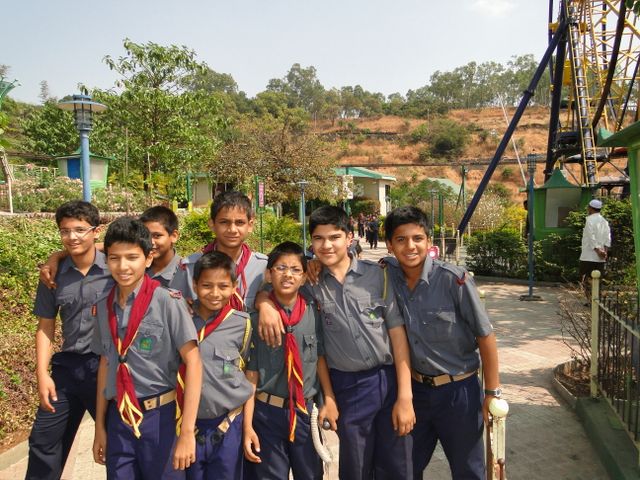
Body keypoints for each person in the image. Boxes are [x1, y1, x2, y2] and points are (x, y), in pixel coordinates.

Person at [257, 206, 415, 480]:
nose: (327, 245)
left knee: (398, 465)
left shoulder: (378, 275)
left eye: (334, 237)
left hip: (388, 380)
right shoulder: (310, 282)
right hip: (348, 385)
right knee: (356, 464)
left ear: (349, 237)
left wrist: (405, 396)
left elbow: (397, 335)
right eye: (318, 238)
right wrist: (263, 304)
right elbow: (275, 286)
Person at [383, 206, 500, 480]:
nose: (410, 246)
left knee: (468, 470)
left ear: (428, 241)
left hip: (459, 392)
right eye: (401, 239)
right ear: (389, 245)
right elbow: (348, 264)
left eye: (417, 238)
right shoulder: (388, 276)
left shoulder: (453, 280)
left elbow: (485, 336)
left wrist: (491, 392)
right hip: (416, 393)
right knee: (405, 467)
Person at [91, 217, 202, 479]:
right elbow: (106, 363)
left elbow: (194, 363)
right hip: (119, 418)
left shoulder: (167, 302)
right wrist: (100, 427)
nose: (123, 266)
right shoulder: (103, 306)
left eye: (132, 257)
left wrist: (187, 432)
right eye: (115, 258)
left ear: (148, 258)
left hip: (160, 418)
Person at [26, 201, 114, 480]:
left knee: (118, 444)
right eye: (65, 231)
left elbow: (139, 247)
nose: (72, 237)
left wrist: (57, 254)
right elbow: (45, 327)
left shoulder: (115, 266)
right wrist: (42, 374)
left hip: (108, 368)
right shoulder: (52, 276)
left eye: (80, 230)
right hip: (67, 370)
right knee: (43, 440)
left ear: (96, 231)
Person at [243, 241, 333, 480]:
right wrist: (247, 424)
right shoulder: (255, 319)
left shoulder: (313, 313)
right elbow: (251, 375)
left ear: (304, 278)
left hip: (305, 411)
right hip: (267, 414)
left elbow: (319, 358)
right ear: (269, 274)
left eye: (295, 269)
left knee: (311, 474)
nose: (288, 275)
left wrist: (328, 399)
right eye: (281, 268)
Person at [185, 251, 253, 480]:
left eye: (223, 286)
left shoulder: (242, 324)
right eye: (207, 285)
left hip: (228, 424)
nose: (215, 293)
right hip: (186, 424)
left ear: (234, 286)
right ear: (195, 285)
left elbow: (246, 371)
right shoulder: (182, 318)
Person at [174, 191, 267, 312]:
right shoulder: (189, 268)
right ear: (212, 224)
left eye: (239, 222)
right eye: (224, 222)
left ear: (250, 225)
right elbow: (172, 307)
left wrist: (266, 303)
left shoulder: (262, 267)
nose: (232, 230)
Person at [139, 205, 187, 290]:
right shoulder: (137, 270)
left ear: (174, 236)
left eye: (157, 236)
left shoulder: (187, 274)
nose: (151, 242)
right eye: (146, 236)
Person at [579, 198, 611, 297]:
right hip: (600, 258)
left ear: (590, 208)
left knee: (587, 280)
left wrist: (597, 250)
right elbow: (608, 237)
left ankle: (590, 301)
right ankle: (596, 300)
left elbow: (591, 237)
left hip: (588, 256)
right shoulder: (604, 221)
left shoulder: (589, 220)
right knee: (598, 281)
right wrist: (605, 252)